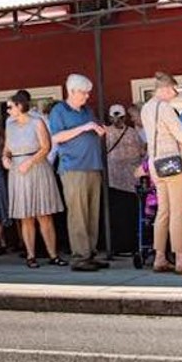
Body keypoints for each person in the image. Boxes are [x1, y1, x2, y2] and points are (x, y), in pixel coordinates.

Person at [140, 72, 182, 274]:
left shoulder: (146, 108)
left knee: (163, 212)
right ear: (166, 88)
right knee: (177, 213)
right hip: (173, 163)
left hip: (156, 163)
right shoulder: (166, 108)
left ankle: (159, 257)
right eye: (174, 90)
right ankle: (181, 259)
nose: (175, 94)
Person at [48, 74, 108, 271]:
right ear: (72, 91)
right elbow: (56, 137)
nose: (87, 96)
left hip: (93, 166)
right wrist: (84, 127)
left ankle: (90, 252)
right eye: (84, 92)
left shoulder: (87, 110)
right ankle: (79, 257)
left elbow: (93, 128)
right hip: (73, 168)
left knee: (92, 213)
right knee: (78, 214)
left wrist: (99, 129)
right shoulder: (59, 110)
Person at [5, 90, 67, 268]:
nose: (7, 110)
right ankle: (30, 255)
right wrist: (5, 158)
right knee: (26, 216)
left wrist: (30, 162)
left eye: (10, 107)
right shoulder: (10, 125)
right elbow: (6, 148)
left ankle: (53, 254)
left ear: (19, 106)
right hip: (18, 171)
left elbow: (46, 147)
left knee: (44, 214)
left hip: (37, 168)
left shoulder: (37, 122)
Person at [104, 103, 143, 255]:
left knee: (121, 214)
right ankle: (127, 245)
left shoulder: (107, 133)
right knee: (127, 214)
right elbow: (141, 151)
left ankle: (122, 245)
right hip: (128, 180)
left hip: (117, 180)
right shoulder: (132, 132)